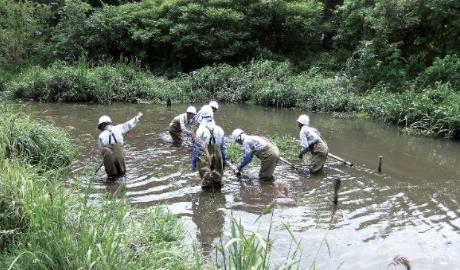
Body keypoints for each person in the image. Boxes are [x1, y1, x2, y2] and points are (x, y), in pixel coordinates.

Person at [97, 112, 143, 179]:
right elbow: (129, 124)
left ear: (101, 126)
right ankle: (122, 186)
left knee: (111, 177)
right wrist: (138, 116)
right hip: (119, 154)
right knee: (122, 175)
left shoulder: (101, 136)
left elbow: (101, 150)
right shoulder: (118, 128)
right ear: (110, 123)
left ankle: (111, 187)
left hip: (108, 157)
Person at [192, 105, 227, 189]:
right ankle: (218, 189)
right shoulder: (219, 129)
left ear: (202, 116)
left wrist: (193, 162)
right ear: (212, 115)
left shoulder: (200, 130)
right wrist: (224, 159)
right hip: (217, 151)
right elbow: (223, 148)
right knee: (218, 175)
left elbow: (196, 148)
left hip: (204, 152)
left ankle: (206, 193)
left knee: (205, 175)